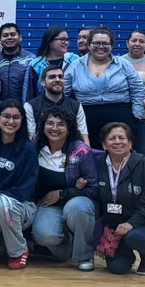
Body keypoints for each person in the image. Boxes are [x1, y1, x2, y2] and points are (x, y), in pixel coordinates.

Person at [30, 106, 99, 271]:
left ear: (69, 129)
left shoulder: (81, 151)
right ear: (42, 126)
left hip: (78, 203)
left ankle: (84, 255)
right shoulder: (35, 147)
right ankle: (67, 250)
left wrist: (62, 194)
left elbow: (95, 188)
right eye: (50, 123)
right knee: (44, 235)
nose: (54, 128)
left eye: (61, 124)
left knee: (77, 208)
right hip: (48, 205)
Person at [0, 100, 39, 270]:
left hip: (21, 206)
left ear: (22, 121)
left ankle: (18, 251)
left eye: (16, 117)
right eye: (6, 116)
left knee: (1, 204)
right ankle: (3, 249)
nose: (11, 121)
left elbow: (25, 190)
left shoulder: (28, 148)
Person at [94, 122, 145, 275]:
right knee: (117, 268)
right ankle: (126, 254)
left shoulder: (143, 164)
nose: (117, 142)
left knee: (135, 238)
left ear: (130, 143)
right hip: (114, 229)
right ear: (104, 145)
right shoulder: (99, 164)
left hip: (144, 223)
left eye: (122, 138)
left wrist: (132, 223)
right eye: (112, 138)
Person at [64, 28, 145, 150]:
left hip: (122, 119)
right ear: (89, 45)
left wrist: (136, 116)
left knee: (122, 157)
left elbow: (138, 90)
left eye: (105, 43)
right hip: (86, 120)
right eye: (96, 43)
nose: (101, 47)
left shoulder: (124, 64)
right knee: (89, 157)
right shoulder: (75, 66)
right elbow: (64, 93)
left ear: (111, 46)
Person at [25, 65, 89, 142]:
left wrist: (86, 149)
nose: (57, 80)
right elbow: (31, 137)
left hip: (71, 147)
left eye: (60, 77)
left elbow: (83, 136)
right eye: (52, 77)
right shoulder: (30, 106)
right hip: (41, 147)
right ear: (43, 82)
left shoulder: (76, 105)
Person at [0, 23, 37, 103]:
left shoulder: (31, 59)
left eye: (13, 34)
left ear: (20, 37)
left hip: (25, 107)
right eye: (5, 35)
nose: (9, 37)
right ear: (0, 40)